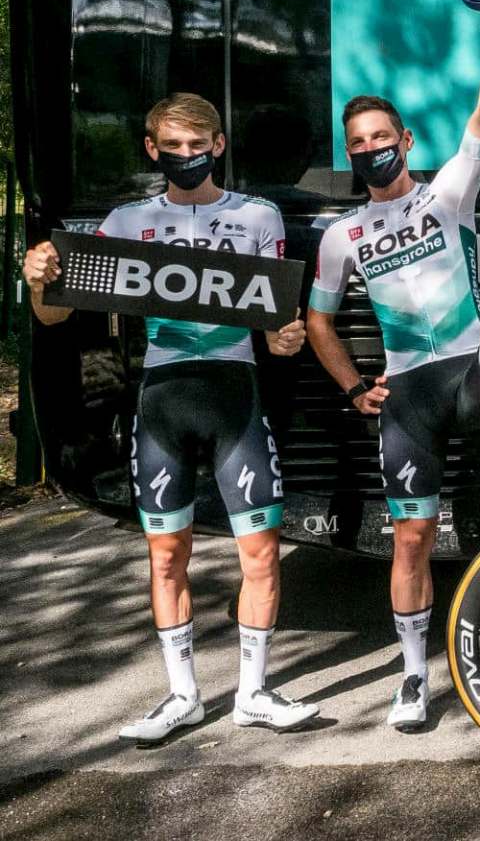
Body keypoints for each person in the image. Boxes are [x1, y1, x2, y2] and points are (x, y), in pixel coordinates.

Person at [22, 94, 317, 742]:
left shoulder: (257, 215)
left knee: (262, 552)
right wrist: (41, 280)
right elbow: (56, 314)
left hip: (235, 397)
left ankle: (254, 692)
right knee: (165, 555)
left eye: (198, 145)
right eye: (173, 146)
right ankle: (182, 695)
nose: (187, 156)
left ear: (218, 146)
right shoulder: (129, 220)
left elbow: (276, 332)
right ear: (152, 150)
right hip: (163, 400)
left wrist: (287, 338)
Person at [306, 0, 480, 731]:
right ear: (350, 153)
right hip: (409, 393)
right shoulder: (342, 234)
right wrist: (354, 388)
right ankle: (413, 678)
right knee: (410, 539)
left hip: (472, 375)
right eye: (359, 144)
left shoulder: (447, 194)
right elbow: (318, 322)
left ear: (406, 140)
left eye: (382, 137)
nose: (372, 150)